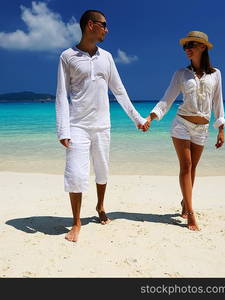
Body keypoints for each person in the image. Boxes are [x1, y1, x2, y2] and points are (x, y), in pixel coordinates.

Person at [55, 10, 148, 242]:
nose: (107, 29)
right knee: (76, 174)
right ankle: (76, 222)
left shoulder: (106, 57)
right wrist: (63, 130)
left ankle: (100, 206)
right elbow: (61, 95)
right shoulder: (67, 56)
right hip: (77, 125)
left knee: (102, 170)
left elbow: (119, 90)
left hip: (102, 125)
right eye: (104, 25)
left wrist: (137, 118)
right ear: (90, 25)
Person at [144, 31, 225, 231]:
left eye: (191, 45)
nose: (187, 49)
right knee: (186, 165)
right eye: (185, 46)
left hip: (203, 128)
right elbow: (167, 98)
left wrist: (221, 128)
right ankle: (190, 212)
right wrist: (151, 117)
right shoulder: (181, 73)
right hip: (181, 125)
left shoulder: (216, 74)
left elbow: (218, 102)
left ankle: (184, 202)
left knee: (193, 168)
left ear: (203, 47)